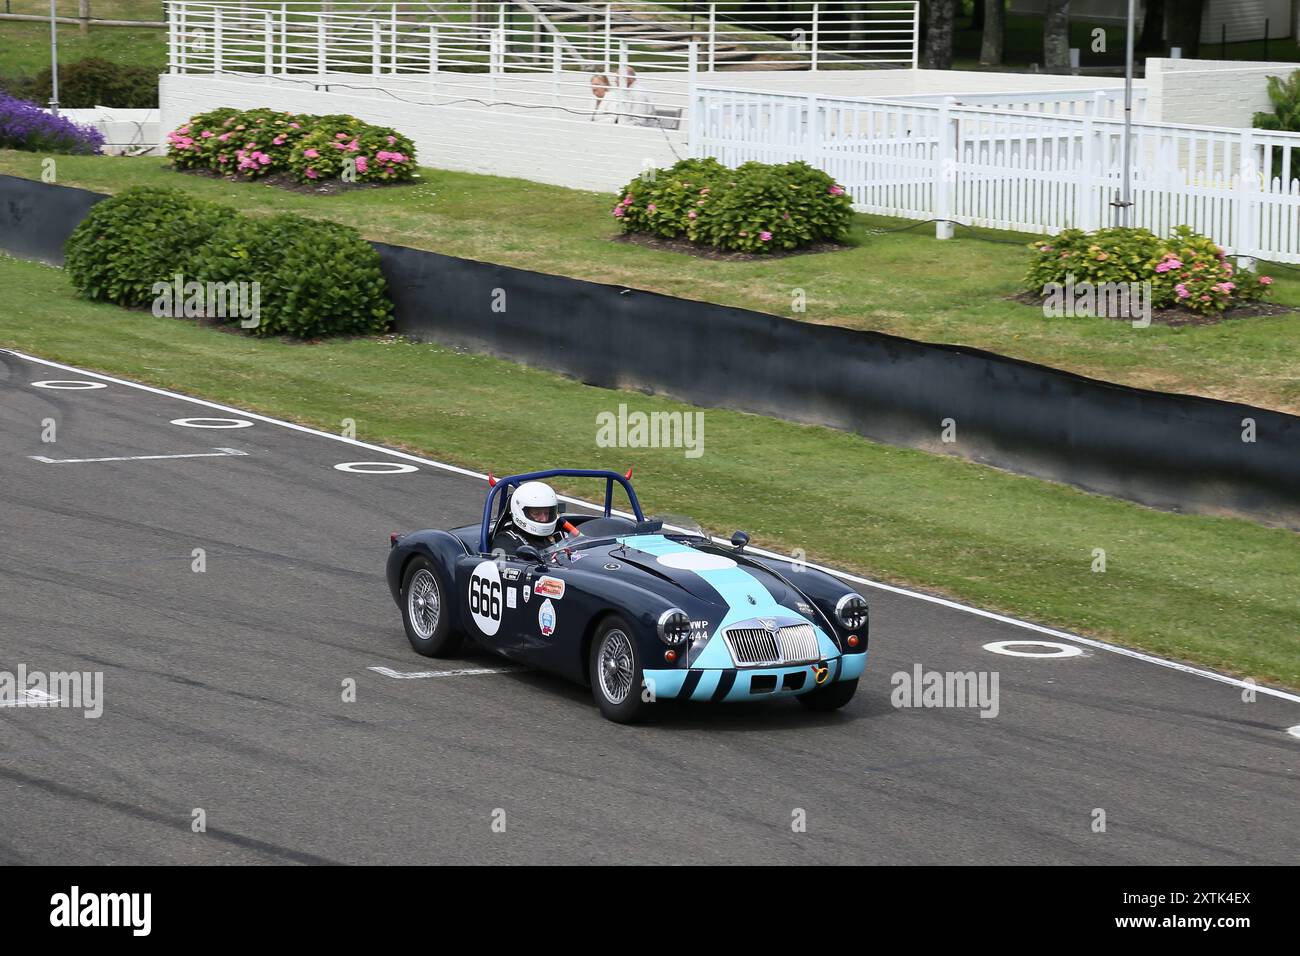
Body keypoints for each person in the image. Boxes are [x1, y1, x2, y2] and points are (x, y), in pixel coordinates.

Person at [491, 481, 564, 555]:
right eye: (536, 513)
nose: (544, 519)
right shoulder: (505, 541)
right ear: (520, 511)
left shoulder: (558, 534)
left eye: (547, 513)